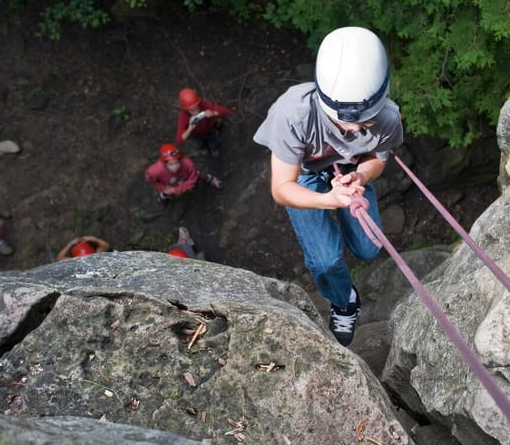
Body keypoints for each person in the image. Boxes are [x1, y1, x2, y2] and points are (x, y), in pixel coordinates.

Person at [253, 26, 404, 346]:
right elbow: (282, 188)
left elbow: (377, 160)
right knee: (325, 260)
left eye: (364, 120)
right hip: (304, 175)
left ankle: (346, 267)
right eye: (343, 120)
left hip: (351, 171)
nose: (354, 129)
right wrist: (332, 200)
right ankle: (343, 300)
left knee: (369, 248)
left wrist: (361, 177)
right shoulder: (293, 114)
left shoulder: (388, 118)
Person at [144, 143, 222, 205]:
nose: (175, 167)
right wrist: (163, 187)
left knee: (198, 174)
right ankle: (164, 197)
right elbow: (152, 181)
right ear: (164, 164)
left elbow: (193, 178)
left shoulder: (187, 164)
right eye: (171, 164)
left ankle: (210, 178)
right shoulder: (154, 171)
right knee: (166, 192)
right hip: (169, 184)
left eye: (177, 162)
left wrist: (177, 189)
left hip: (184, 177)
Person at [175, 88, 229, 157]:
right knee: (199, 144)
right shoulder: (183, 116)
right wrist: (189, 129)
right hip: (196, 136)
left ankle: (214, 149)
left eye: (196, 107)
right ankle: (203, 149)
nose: (196, 111)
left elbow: (225, 111)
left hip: (210, 131)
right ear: (186, 109)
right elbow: (179, 139)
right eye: (192, 110)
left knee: (213, 141)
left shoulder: (204, 105)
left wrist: (213, 113)